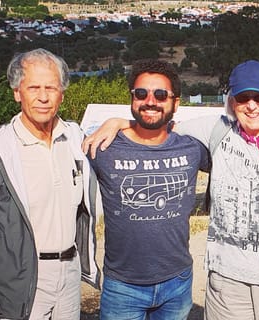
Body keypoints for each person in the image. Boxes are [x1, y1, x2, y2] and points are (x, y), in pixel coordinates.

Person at [85, 60, 259, 319]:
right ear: (232, 101)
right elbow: (158, 124)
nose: (251, 105)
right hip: (227, 283)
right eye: (243, 97)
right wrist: (120, 121)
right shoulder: (216, 130)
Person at [0, 48, 101, 319]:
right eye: (33, 87)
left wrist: (119, 122)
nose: (43, 97)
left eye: (51, 87)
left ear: (62, 93)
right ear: (17, 92)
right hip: (20, 279)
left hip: (70, 274)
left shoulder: (76, 140)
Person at [89, 59, 210, 319]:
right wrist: (116, 122)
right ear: (132, 99)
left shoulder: (191, 148)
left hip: (177, 281)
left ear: (175, 103)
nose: (150, 101)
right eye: (141, 93)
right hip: (123, 286)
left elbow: (240, 136)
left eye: (161, 94)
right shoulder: (104, 146)